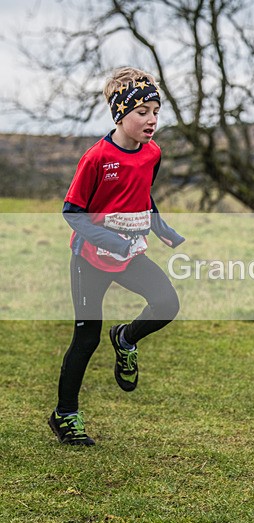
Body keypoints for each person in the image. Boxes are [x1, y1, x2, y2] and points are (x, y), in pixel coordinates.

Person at [49, 67, 184, 446]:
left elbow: (142, 195)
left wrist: (161, 227)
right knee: (86, 338)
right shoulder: (96, 158)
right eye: (142, 112)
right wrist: (112, 240)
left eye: (156, 112)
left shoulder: (152, 153)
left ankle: (125, 338)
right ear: (120, 114)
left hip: (129, 255)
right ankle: (65, 416)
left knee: (166, 304)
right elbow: (72, 214)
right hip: (89, 259)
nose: (152, 120)